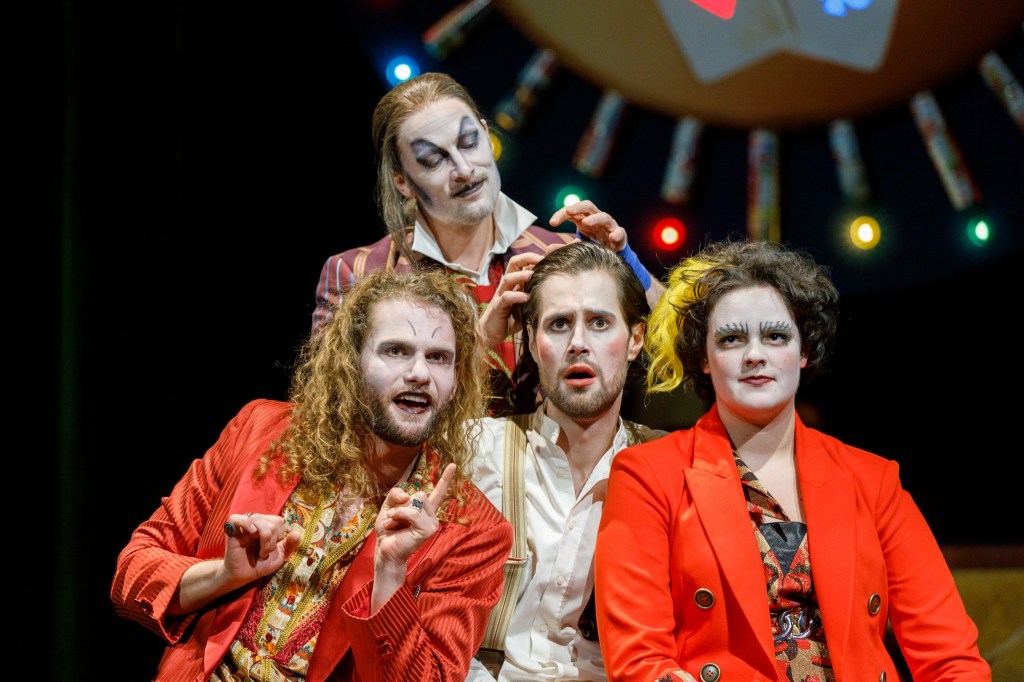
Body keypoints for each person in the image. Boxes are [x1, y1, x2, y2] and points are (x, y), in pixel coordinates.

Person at [593, 239, 989, 681]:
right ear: (704, 357)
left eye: (775, 336)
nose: (755, 354)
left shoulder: (874, 480)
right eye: (731, 339)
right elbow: (640, 660)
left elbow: (951, 658)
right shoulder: (648, 475)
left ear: (804, 352)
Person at [111, 269, 514, 681]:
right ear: (351, 363)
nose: (420, 374)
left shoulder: (474, 530)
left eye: (439, 357)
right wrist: (224, 575)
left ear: (456, 381)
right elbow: (132, 573)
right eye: (396, 351)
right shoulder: (259, 431)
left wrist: (391, 574)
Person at [312, 71, 665, 415]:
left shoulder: (558, 254)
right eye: (434, 160)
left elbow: (682, 342)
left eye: (469, 142)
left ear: (485, 133)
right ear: (402, 181)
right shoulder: (358, 272)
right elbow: (329, 410)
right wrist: (479, 344)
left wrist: (625, 264)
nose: (464, 169)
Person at [465, 240, 668, 681]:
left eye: (599, 323)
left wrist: (633, 262)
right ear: (532, 344)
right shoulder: (477, 449)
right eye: (559, 324)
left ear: (635, 340)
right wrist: (481, 342)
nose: (578, 343)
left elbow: (724, 356)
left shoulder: (669, 466)